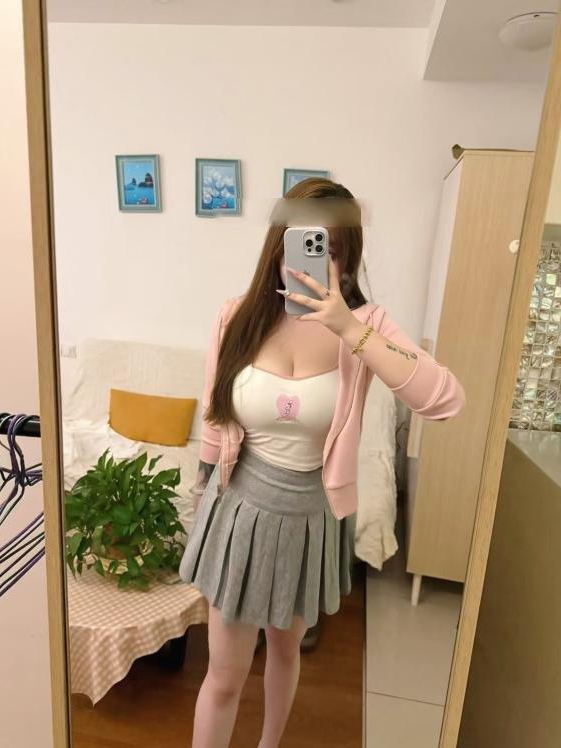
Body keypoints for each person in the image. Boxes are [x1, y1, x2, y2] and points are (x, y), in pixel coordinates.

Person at [178, 178, 466, 748]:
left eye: (329, 248)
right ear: (278, 244)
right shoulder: (236, 317)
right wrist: (200, 497)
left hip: (311, 517)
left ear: (347, 256)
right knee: (224, 676)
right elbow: (214, 422)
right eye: (303, 242)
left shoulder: (365, 326)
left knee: (286, 651)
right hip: (239, 510)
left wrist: (347, 327)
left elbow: (445, 401)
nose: (313, 260)